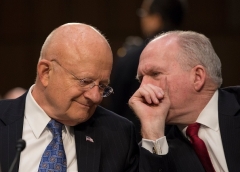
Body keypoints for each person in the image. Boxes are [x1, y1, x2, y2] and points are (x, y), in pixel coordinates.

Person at [0, 23, 142, 172]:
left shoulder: (117, 135)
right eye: (85, 82)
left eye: (102, 86)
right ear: (46, 72)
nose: (96, 97)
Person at [129, 30, 240, 172]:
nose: (143, 87)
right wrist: (153, 132)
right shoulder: (154, 146)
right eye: (140, 79)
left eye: (155, 74)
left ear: (197, 77)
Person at [108, 0, 187, 142]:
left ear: (156, 18)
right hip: (187, 141)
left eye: (143, 13)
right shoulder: (194, 55)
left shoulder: (133, 56)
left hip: (137, 143)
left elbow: (115, 106)